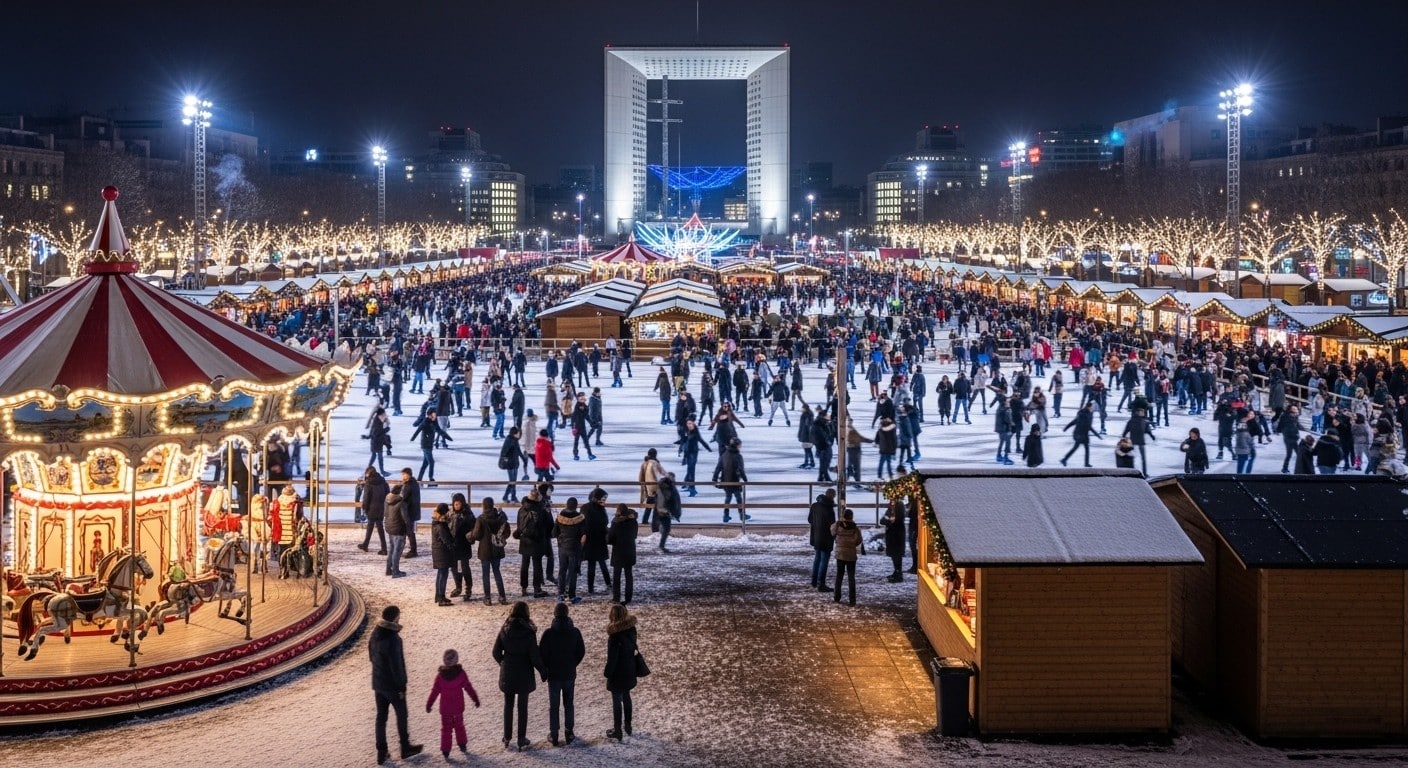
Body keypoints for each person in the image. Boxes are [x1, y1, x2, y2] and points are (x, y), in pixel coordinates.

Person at [492, 601, 548, 752]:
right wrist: (543, 671)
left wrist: (503, 664)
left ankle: (507, 736)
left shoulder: (504, 629)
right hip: (524, 674)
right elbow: (534, 656)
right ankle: (521, 738)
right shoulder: (529, 633)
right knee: (522, 707)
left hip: (508, 673)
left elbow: (496, 652)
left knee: (508, 705)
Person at [370, 605, 422, 764]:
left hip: (378, 683)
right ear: (394, 618)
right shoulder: (394, 639)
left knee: (381, 717)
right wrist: (401, 686)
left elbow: (371, 657)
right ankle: (405, 748)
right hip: (393, 686)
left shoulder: (375, 634)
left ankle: (381, 751)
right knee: (402, 715)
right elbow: (397, 665)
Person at [538, 602, 586, 746]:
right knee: (569, 704)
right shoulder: (575, 632)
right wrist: (573, 664)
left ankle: (554, 734)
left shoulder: (549, 633)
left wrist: (547, 667)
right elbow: (581, 651)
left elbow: (542, 653)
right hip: (569, 673)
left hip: (554, 674)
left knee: (554, 706)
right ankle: (569, 732)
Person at [425, 649, 480, 759]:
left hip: (445, 710)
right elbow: (468, 687)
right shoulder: (461, 674)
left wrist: (429, 704)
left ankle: (446, 750)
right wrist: (475, 699)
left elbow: (434, 691)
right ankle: (462, 744)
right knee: (459, 726)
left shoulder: (440, 677)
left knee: (446, 729)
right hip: (458, 708)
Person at [604, 603, 641, 741]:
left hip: (618, 672)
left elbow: (612, 658)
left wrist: (607, 673)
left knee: (616, 700)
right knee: (627, 696)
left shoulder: (614, 636)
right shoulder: (631, 630)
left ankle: (617, 729)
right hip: (630, 668)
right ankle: (628, 725)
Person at [468, 497, 510, 605]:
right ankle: (502, 596)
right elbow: (507, 531)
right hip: (497, 549)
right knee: (497, 572)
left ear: (484, 505)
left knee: (485, 574)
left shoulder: (481, 519)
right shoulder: (500, 517)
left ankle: (487, 598)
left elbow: (477, 535)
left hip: (485, 549)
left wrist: (470, 534)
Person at [516, 488, 549, 598]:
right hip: (537, 540)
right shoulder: (541, 510)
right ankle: (537, 588)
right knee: (537, 564)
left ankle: (524, 588)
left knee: (525, 564)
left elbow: (519, 525)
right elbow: (549, 525)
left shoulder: (522, 509)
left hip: (525, 540)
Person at [552, 497, 585, 603]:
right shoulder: (580, 519)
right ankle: (571, 595)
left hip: (562, 548)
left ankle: (560, 594)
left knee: (562, 570)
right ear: (576, 506)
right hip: (575, 548)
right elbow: (583, 534)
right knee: (573, 572)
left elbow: (553, 533)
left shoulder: (560, 518)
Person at [581, 488, 613, 594]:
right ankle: (606, 584)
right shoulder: (598, 509)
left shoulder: (586, 507)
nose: (604, 500)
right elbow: (604, 522)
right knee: (598, 563)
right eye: (603, 498)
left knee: (594, 564)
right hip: (596, 540)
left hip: (592, 540)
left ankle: (592, 587)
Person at [409, 409, 452, 484]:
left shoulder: (434, 422)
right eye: (434, 415)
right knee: (431, 462)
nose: (435, 416)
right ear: (429, 415)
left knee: (425, 464)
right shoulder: (425, 422)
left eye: (435, 415)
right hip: (425, 445)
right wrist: (413, 438)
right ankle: (431, 479)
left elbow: (439, 430)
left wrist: (447, 437)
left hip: (430, 445)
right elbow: (418, 430)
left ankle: (419, 480)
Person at [832, 508, 864, 606]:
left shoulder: (838, 525)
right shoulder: (855, 528)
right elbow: (859, 540)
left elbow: (832, 532)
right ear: (852, 517)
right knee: (851, 577)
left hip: (840, 554)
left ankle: (837, 597)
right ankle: (852, 600)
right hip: (851, 554)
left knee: (839, 576)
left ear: (844, 516)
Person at [608, 503, 638, 605]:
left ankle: (616, 597)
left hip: (618, 551)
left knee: (617, 576)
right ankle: (628, 597)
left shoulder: (615, 523)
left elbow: (610, 538)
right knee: (628, 575)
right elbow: (634, 535)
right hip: (629, 550)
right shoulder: (633, 521)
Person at [808, 489, 837, 591]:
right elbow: (832, 526)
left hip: (816, 536)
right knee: (824, 561)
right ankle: (821, 584)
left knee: (817, 559)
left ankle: (814, 581)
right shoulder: (829, 509)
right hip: (826, 538)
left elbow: (810, 519)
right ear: (833, 496)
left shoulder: (815, 506)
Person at [448, 493, 475, 601]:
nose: (456, 506)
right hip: (453, 546)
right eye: (455, 504)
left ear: (462, 503)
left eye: (458, 504)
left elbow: (473, 529)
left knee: (464, 568)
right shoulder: (450, 514)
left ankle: (468, 588)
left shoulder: (468, 515)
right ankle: (458, 586)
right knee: (454, 568)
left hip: (463, 545)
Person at [716, 438, 749, 523]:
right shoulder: (738, 456)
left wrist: (714, 479)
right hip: (734, 480)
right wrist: (745, 479)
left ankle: (726, 515)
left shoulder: (724, 454)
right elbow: (741, 469)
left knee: (728, 497)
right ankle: (742, 515)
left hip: (725, 480)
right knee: (738, 498)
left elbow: (718, 467)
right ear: (737, 445)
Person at [357, 466, 388, 555]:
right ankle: (383, 547)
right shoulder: (383, 481)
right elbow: (387, 493)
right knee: (379, 528)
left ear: (368, 473)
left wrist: (364, 507)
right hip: (381, 508)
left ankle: (366, 545)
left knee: (370, 526)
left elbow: (366, 497)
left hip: (371, 508)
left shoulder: (369, 483)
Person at [430, 503, 457, 606]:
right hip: (442, 552)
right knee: (443, 575)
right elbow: (446, 540)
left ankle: (439, 595)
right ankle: (441, 598)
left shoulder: (437, 522)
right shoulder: (440, 525)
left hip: (439, 551)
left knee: (441, 574)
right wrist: (453, 548)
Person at [1059, 401, 1099, 468]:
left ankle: (1065, 459)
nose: (1093, 409)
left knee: (1081, 448)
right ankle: (1065, 459)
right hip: (1080, 434)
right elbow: (1087, 426)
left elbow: (1075, 422)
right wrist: (1097, 435)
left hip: (1083, 434)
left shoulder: (1088, 413)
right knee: (1079, 448)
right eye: (1092, 407)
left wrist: (1066, 428)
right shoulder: (1083, 415)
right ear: (1088, 407)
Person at [1120, 408, 1156, 476]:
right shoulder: (1140, 421)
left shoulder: (1140, 421)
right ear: (1138, 413)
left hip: (1137, 440)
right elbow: (1126, 430)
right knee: (1137, 457)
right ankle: (1137, 472)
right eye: (1141, 412)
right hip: (1137, 440)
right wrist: (1123, 437)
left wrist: (1152, 436)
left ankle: (1142, 472)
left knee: (1138, 457)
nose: (1143, 413)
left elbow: (1147, 430)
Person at [383, 484, 409, 578]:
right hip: (399, 528)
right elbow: (405, 518)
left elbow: (385, 513)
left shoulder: (387, 500)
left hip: (389, 527)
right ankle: (395, 571)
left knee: (392, 549)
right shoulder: (401, 503)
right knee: (397, 551)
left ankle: (388, 569)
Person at [637, 448, 664, 531]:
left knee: (650, 504)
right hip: (653, 487)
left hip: (649, 487)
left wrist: (643, 485)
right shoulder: (653, 463)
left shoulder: (645, 463)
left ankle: (645, 521)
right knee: (656, 505)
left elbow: (641, 476)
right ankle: (654, 523)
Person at [398, 468, 422, 558]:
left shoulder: (408, 485)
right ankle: (410, 549)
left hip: (408, 512)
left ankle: (413, 550)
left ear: (408, 475)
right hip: (412, 511)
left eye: (403, 474)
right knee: (409, 531)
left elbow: (403, 497)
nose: (402, 476)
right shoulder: (414, 483)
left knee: (409, 531)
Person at [500, 427, 528, 503]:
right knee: (512, 481)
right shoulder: (509, 440)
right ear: (514, 433)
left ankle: (512, 497)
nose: (520, 435)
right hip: (510, 465)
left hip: (515, 464)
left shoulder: (515, 440)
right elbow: (504, 452)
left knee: (513, 481)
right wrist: (507, 461)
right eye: (518, 433)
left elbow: (518, 451)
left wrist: (524, 459)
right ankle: (507, 496)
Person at [655, 473, 681, 553]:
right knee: (666, 529)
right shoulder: (665, 489)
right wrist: (664, 511)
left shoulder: (670, 488)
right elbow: (661, 502)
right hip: (664, 512)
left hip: (666, 511)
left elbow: (675, 500)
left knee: (666, 529)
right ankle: (661, 546)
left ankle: (661, 545)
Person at [881, 499, 906, 583]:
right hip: (892, 535)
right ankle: (897, 571)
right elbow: (883, 520)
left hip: (897, 536)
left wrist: (889, 522)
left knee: (897, 555)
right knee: (894, 555)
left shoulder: (899, 508)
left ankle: (898, 573)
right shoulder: (891, 509)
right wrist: (889, 522)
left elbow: (897, 521)